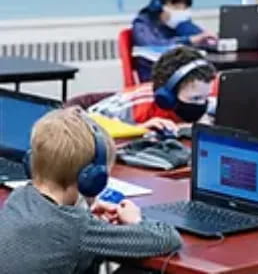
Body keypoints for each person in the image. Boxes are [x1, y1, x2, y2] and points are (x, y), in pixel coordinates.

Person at [0, 108, 181, 273]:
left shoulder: (19, 198)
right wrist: (135, 220)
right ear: (92, 180)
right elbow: (166, 239)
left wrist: (86, 214)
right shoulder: (76, 227)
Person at [89, 47, 216, 133]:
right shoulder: (136, 104)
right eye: (196, 98)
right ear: (167, 97)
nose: (202, 104)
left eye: (206, 97)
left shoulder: (205, 101)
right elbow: (85, 125)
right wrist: (139, 129)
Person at [132, 0, 216, 81]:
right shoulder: (143, 23)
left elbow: (201, 37)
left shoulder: (181, 23)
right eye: (176, 7)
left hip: (180, 75)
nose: (181, 12)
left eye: (184, 8)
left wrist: (209, 40)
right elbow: (151, 45)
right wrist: (188, 40)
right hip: (154, 77)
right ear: (159, 5)